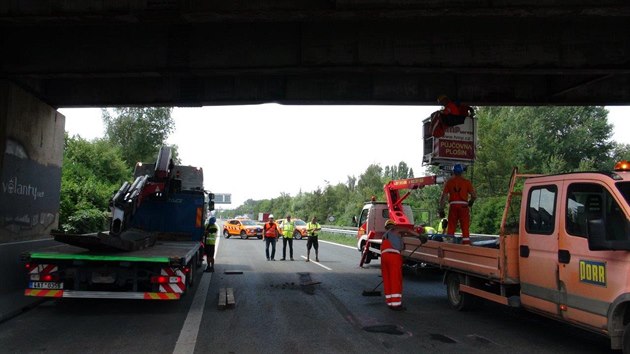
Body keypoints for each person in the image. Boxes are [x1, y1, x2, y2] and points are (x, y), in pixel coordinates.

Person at [439, 164, 477, 245]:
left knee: (451, 226)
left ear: (453, 172)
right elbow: (474, 196)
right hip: (464, 206)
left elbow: (443, 197)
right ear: (462, 172)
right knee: (465, 227)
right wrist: (471, 202)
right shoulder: (467, 182)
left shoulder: (449, 182)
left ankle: (449, 244)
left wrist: (441, 209)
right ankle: (466, 245)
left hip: (453, 206)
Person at [381, 219, 405, 311]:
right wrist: (419, 236)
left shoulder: (384, 236)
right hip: (393, 257)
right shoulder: (395, 231)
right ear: (393, 226)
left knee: (387, 279)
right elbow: (406, 230)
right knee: (395, 280)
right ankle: (396, 304)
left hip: (384, 258)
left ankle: (390, 302)